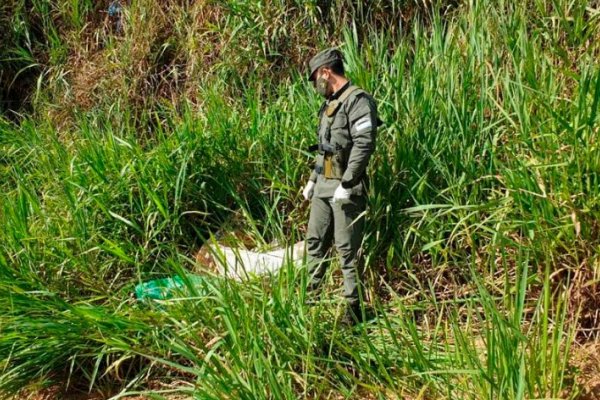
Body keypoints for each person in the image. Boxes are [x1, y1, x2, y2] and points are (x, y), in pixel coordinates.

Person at [302, 47, 378, 325]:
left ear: (325, 72)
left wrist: (347, 183)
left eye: (315, 79)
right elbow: (325, 149)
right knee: (315, 242)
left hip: (346, 189)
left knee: (347, 250)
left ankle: (353, 310)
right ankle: (310, 302)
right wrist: (312, 180)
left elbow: (364, 144)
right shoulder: (330, 104)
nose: (315, 86)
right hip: (323, 186)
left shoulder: (358, 101)